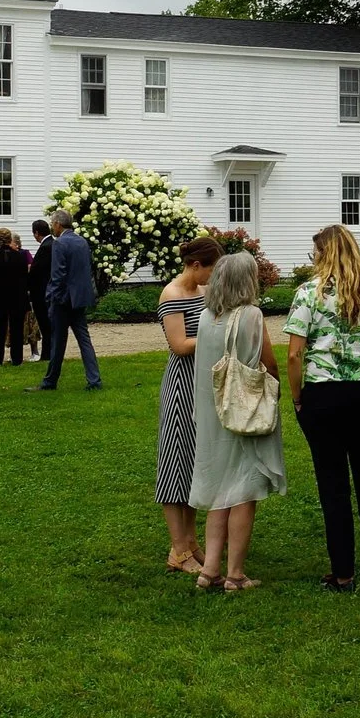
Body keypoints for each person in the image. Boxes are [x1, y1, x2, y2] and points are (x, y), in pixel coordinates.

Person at [286, 226, 360, 590]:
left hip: (322, 395)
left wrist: (297, 397)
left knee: (333, 483)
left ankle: (343, 572)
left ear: (322, 254)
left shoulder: (309, 293)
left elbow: (294, 353)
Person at [189, 251, 286, 591]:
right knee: (245, 490)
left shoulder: (205, 316)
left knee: (219, 491)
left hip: (212, 413)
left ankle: (209, 569)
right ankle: (235, 574)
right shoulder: (251, 315)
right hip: (244, 412)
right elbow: (270, 363)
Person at [153, 236, 221, 575]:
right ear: (195, 265)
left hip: (204, 384)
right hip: (182, 385)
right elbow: (179, 345)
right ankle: (177, 550)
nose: (213, 275)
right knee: (175, 462)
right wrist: (220, 337)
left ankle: (191, 540)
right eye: (210, 269)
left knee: (196, 463)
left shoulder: (204, 292)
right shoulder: (172, 294)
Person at [33, 210, 100, 390]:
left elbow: (58, 274)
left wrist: (52, 298)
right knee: (84, 339)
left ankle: (50, 380)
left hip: (63, 300)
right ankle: (94, 380)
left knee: (58, 342)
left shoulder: (60, 243)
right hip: (80, 298)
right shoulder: (82, 242)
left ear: (57, 224)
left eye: (52, 223)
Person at [0, 228, 31, 366]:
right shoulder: (20, 257)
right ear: (10, 239)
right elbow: (24, 278)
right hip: (17, 297)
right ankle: (17, 358)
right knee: (17, 329)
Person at [26, 218, 55, 361]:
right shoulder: (53, 244)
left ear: (37, 233)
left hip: (42, 293)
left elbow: (36, 272)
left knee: (45, 325)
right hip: (49, 291)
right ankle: (48, 353)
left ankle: (47, 355)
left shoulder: (45, 247)